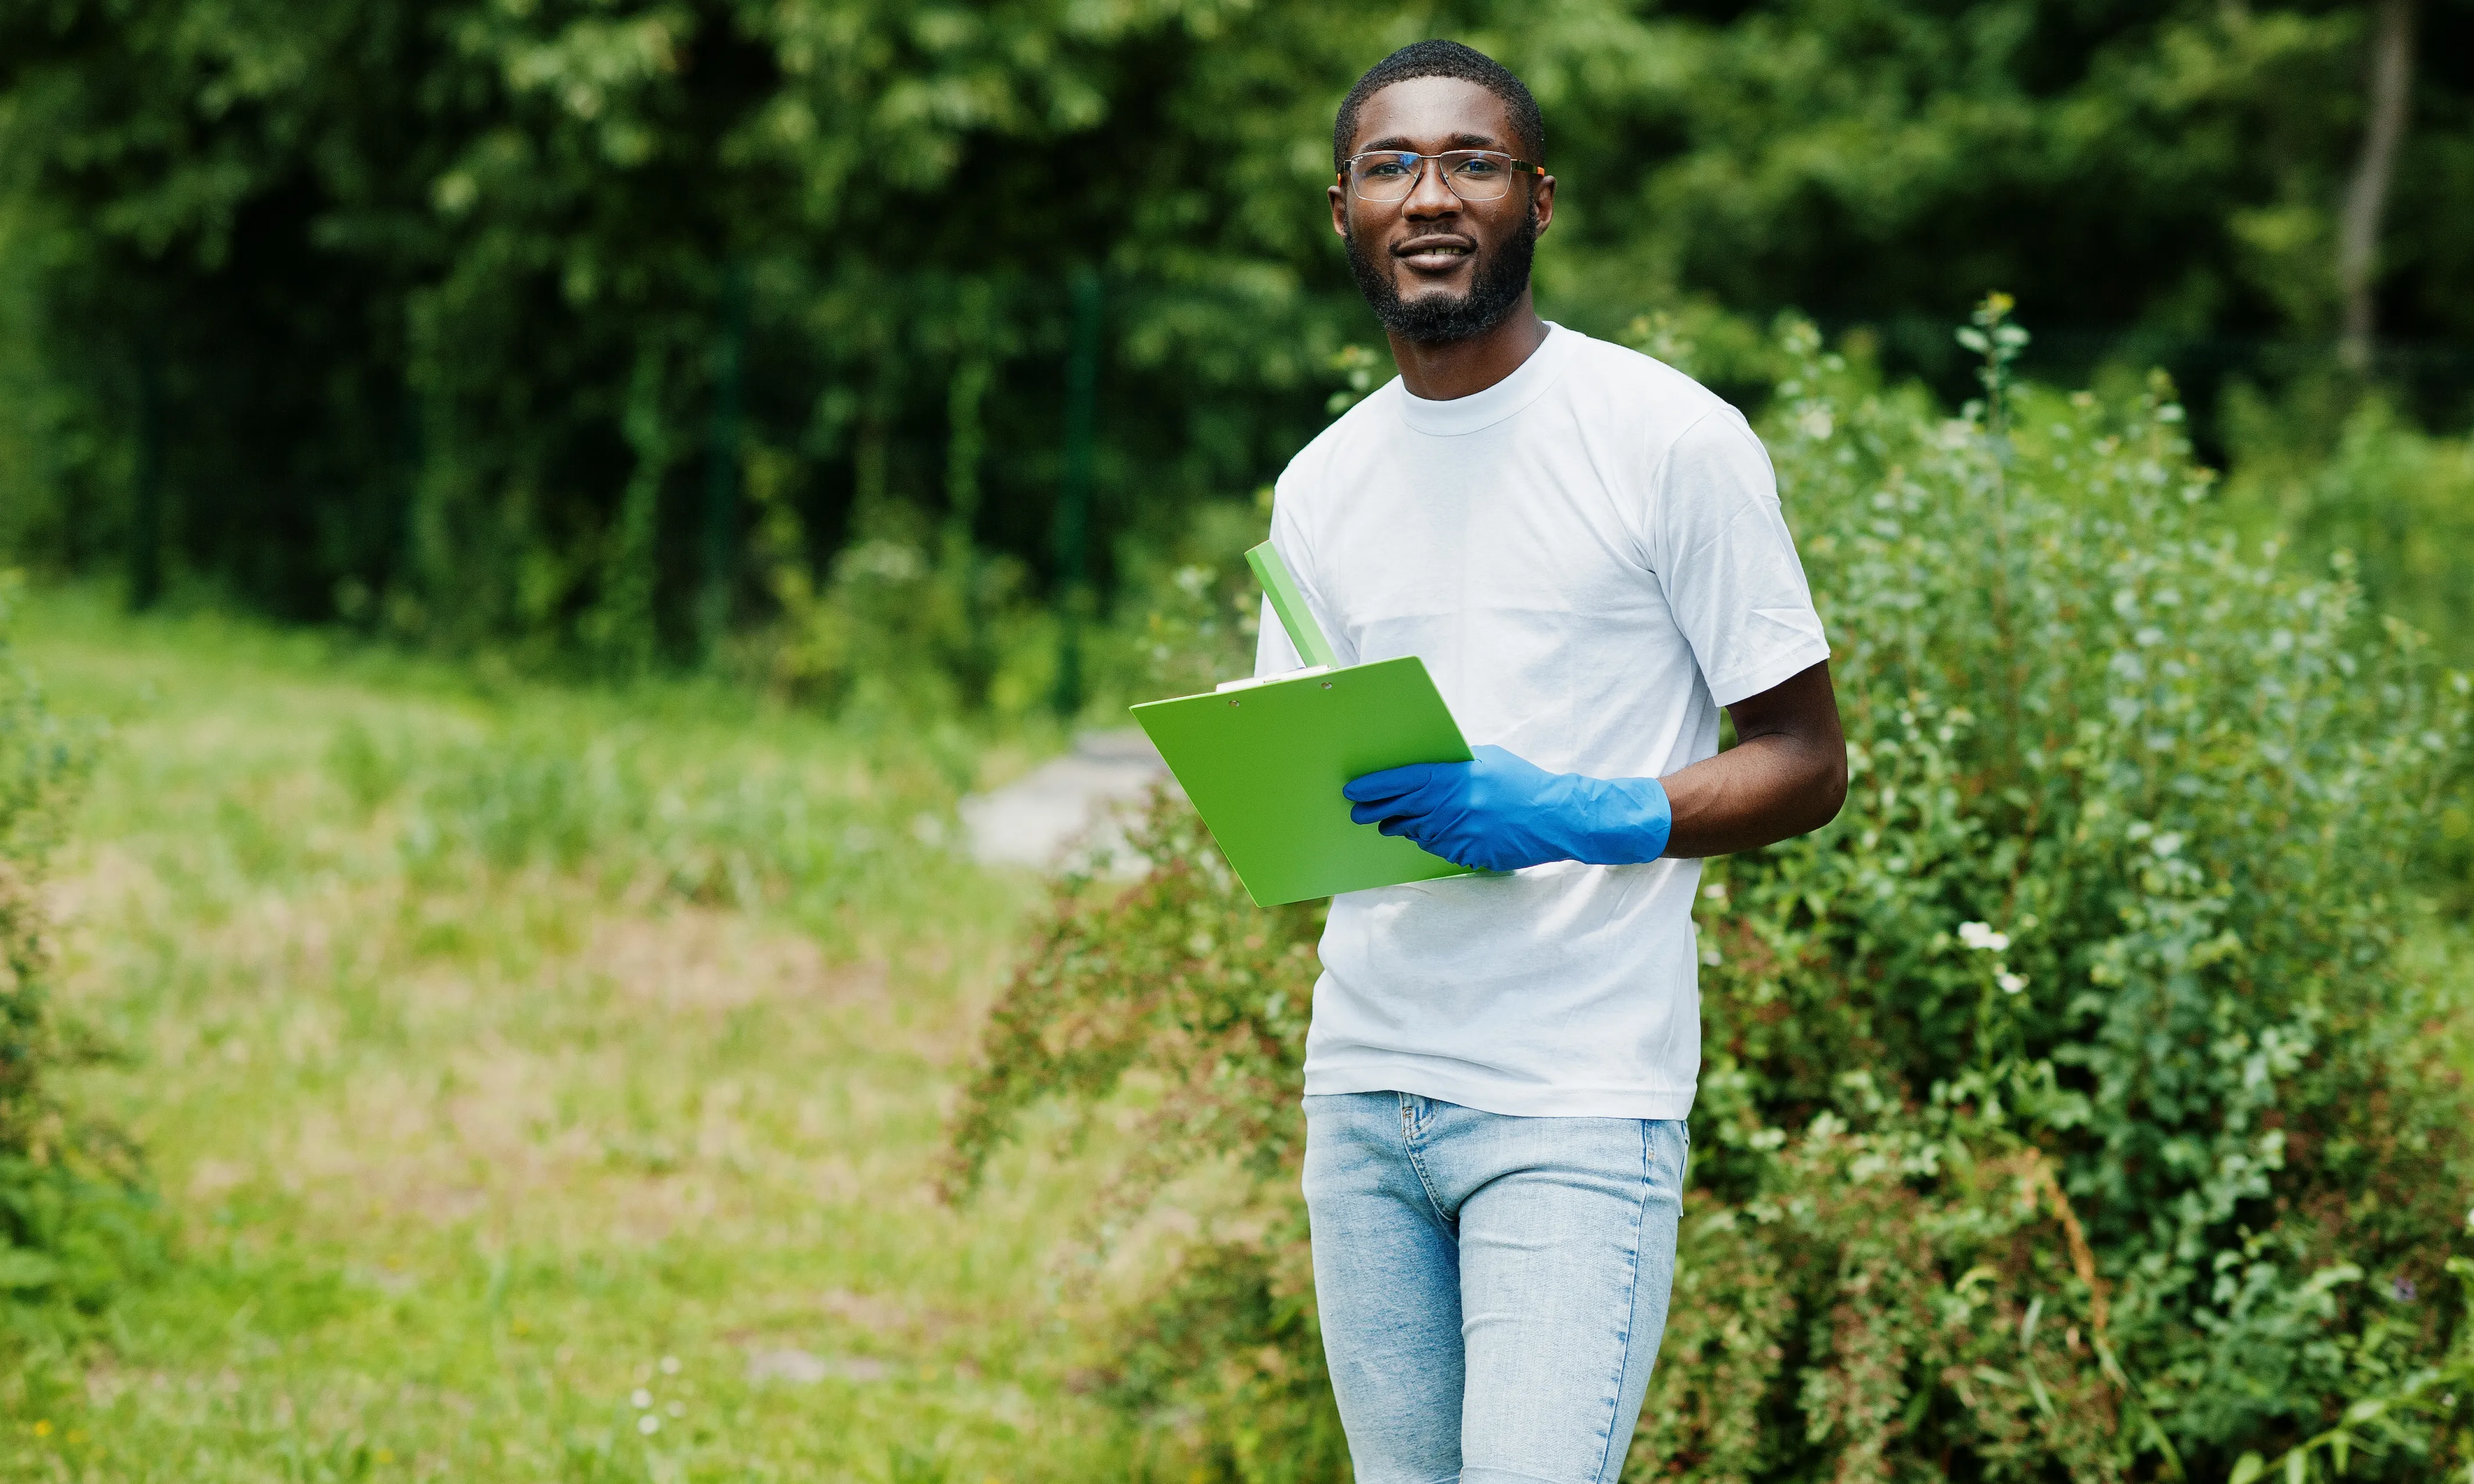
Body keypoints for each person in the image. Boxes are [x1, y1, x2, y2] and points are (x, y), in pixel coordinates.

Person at [1252, 39, 1850, 1484]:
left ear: (1539, 198)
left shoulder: (1664, 440)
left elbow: (1805, 759)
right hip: (1365, 1086)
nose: (1432, 195)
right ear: (1343, 208)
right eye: (1392, 165)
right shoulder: (1323, 482)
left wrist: (1576, 812)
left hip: (1573, 1101)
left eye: (1474, 161)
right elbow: (1302, 777)